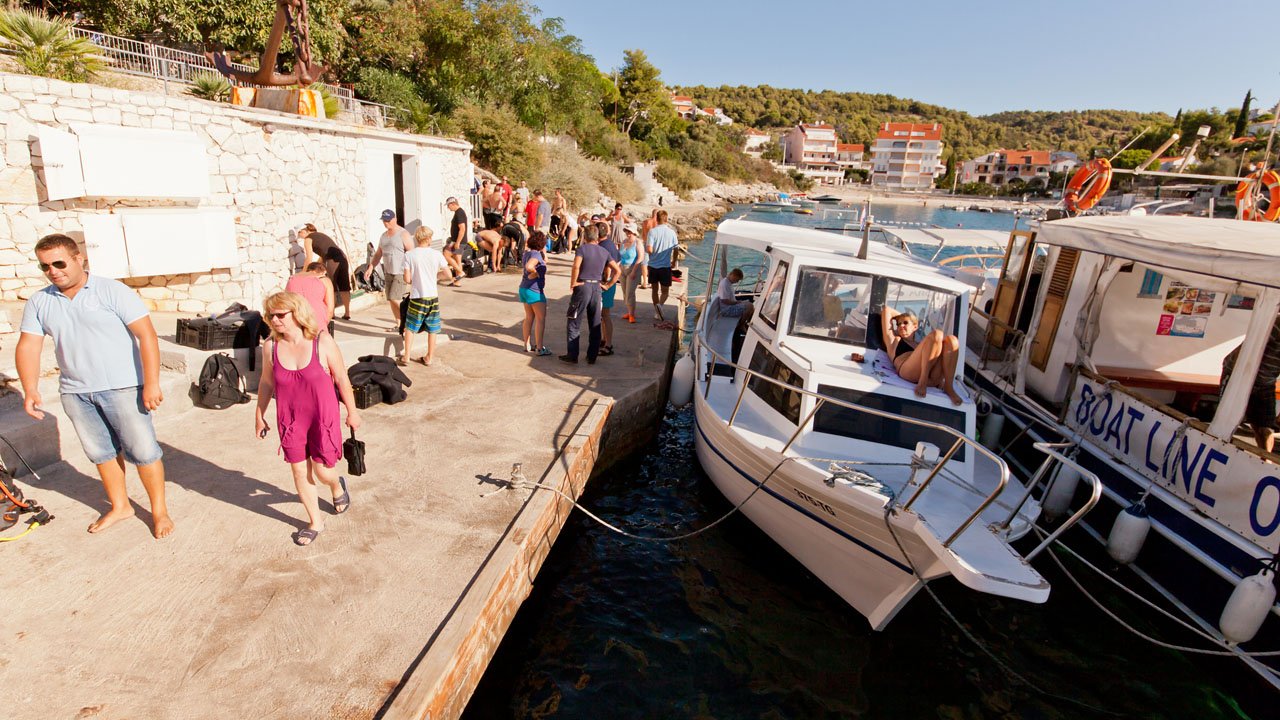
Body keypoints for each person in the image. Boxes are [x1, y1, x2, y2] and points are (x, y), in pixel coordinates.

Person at [16, 233, 174, 538]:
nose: (53, 271)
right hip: (76, 392)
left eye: (59, 263)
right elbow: (28, 346)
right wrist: (30, 389)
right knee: (101, 453)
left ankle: (159, 512)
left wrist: (151, 383)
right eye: (45, 266)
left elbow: (147, 335)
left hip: (124, 387)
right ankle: (120, 506)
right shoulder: (40, 301)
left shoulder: (112, 291)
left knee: (144, 452)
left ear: (79, 259)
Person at [255, 292, 360, 546]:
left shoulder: (321, 341)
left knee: (323, 471)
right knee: (300, 471)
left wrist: (352, 412)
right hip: (291, 419)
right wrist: (259, 415)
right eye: (271, 316)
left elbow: (342, 378)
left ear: (297, 313)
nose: (276, 320)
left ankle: (336, 486)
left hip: (322, 416)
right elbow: (267, 382)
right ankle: (315, 522)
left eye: (281, 314)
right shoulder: (271, 346)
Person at [561, 225, 620, 365]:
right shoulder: (604, 252)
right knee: (595, 323)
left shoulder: (582, 249)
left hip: (583, 286)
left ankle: (572, 354)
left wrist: (573, 282)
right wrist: (608, 285)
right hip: (597, 288)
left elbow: (576, 266)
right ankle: (592, 356)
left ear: (585, 236)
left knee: (574, 321)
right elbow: (617, 270)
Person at [1221, 316, 1280, 454]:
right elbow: (1251, 345)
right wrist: (1238, 380)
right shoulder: (1277, 324)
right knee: (1228, 418)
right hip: (1239, 373)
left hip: (1265, 381)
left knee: (1265, 426)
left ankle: (1265, 461)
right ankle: (1222, 450)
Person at [880, 306, 962, 405]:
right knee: (937, 334)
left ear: (915, 326)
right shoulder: (893, 340)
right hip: (908, 372)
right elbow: (886, 310)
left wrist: (912, 319)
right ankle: (922, 381)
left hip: (932, 378)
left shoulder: (922, 344)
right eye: (898, 324)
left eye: (905, 323)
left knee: (952, 340)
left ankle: (949, 386)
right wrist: (905, 317)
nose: (901, 326)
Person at [402, 227, 449, 367]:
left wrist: (416, 279)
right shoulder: (437, 255)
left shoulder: (409, 255)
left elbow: (407, 279)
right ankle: (429, 357)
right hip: (432, 296)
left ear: (417, 238)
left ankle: (407, 356)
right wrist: (435, 277)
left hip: (417, 296)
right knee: (432, 328)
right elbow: (448, 275)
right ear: (429, 239)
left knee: (410, 326)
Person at [364, 209, 413, 331]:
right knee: (391, 299)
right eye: (384, 221)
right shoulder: (383, 236)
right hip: (388, 272)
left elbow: (412, 253)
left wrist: (411, 271)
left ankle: (408, 321)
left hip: (400, 272)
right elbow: (378, 254)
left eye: (388, 220)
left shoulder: (403, 234)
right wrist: (371, 267)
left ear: (394, 219)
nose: (386, 223)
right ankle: (399, 324)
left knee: (394, 298)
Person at [299, 223, 352, 320]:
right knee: (344, 286)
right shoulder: (321, 236)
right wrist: (321, 264)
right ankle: (347, 313)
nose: (300, 236)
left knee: (331, 286)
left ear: (305, 231)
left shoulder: (308, 238)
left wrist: (304, 272)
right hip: (342, 259)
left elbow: (309, 257)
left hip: (332, 260)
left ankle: (331, 314)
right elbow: (322, 255)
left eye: (300, 233)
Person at [520, 231, 552, 357]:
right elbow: (529, 266)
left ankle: (527, 344)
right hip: (534, 290)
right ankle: (539, 348)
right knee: (540, 319)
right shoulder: (536, 255)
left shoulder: (527, 253)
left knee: (529, 317)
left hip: (524, 288)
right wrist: (535, 273)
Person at [646, 209, 680, 325]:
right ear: (666, 219)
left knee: (654, 290)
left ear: (656, 219)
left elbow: (649, 249)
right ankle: (660, 306)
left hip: (653, 265)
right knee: (665, 291)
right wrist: (674, 261)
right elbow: (676, 249)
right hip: (665, 266)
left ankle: (657, 311)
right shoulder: (672, 233)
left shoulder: (652, 232)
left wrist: (652, 253)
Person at [285, 261, 335, 335]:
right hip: (317, 321)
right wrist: (323, 324)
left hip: (295, 321)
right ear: (323, 272)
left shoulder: (292, 279)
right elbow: (330, 309)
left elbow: (286, 302)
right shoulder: (324, 280)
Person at [597, 218, 623, 356]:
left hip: (606, 285)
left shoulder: (603, 247)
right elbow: (618, 261)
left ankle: (608, 344)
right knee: (603, 315)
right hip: (610, 284)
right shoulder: (610, 244)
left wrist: (606, 283)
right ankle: (604, 338)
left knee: (605, 315)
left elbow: (608, 267)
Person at [619, 223, 642, 324]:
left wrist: (633, 271)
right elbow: (619, 256)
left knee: (630, 293)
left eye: (629, 232)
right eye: (626, 231)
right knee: (624, 292)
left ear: (634, 232)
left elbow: (641, 258)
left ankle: (632, 315)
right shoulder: (624, 241)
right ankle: (629, 312)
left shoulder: (638, 243)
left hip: (633, 268)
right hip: (622, 268)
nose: (628, 233)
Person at [441, 196, 466, 286]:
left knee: (446, 254)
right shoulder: (458, 212)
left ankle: (460, 272)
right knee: (457, 259)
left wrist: (458, 242)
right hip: (455, 240)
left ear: (453, 204)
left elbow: (462, 228)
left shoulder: (459, 213)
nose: (448, 208)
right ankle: (457, 281)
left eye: (448, 205)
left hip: (457, 241)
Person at [639, 209, 659, 289]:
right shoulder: (658, 224)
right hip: (655, 245)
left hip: (646, 243)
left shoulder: (646, 222)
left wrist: (645, 240)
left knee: (644, 263)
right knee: (655, 263)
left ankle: (644, 281)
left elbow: (643, 234)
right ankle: (653, 281)